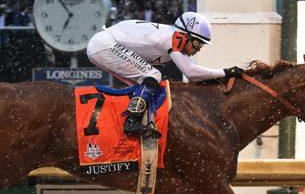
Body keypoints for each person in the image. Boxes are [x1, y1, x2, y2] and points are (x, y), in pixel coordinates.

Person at [86, 11, 243, 138]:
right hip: (105, 45)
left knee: (142, 86)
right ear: (186, 36)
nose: (199, 48)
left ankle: (134, 120)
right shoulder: (174, 38)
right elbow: (191, 73)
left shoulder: (173, 34)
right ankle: (131, 121)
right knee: (153, 75)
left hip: (102, 44)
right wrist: (225, 72)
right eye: (198, 43)